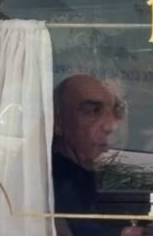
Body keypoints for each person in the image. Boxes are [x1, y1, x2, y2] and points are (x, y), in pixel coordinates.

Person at [52, 74, 125, 234]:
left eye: (116, 112)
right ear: (58, 121)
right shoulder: (52, 182)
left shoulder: (86, 172)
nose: (111, 125)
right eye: (93, 111)